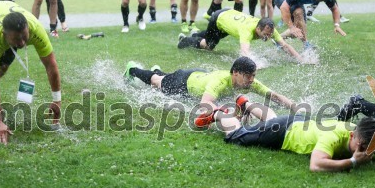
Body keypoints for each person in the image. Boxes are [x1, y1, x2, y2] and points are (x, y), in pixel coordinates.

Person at [196, 97, 375, 175]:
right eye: (362, 147)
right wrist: (352, 161)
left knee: (270, 120)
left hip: (297, 122)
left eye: (370, 149)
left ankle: (246, 104)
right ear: (352, 135)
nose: (366, 152)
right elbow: (315, 165)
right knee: (237, 135)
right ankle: (222, 113)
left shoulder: (371, 138)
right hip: (284, 133)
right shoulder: (334, 137)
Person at [0, 1, 62, 145]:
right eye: (16, 39)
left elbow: (51, 65)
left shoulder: (35, 28)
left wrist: (57, 100)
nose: (22, 43)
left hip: (6, 18)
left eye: (25, 37)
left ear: (27, 28)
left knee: (2, 69)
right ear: (4, 35)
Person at [124, 56, 297, 112]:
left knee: (160, 79)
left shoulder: (249, 82)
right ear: (235, 73)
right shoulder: (220, 82)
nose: (251, 80)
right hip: (183, 82)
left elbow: (273, 96)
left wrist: (294, 106)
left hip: (198, 76)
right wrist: (226, 112)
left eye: (253, 76)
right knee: (156, 82)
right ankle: (132, 70)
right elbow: (204, 103)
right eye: (248, 76)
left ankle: (158, 71)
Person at [177, 8, 302, 62]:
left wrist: (300, 59)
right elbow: (244, 51)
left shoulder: (269, 28)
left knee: (214, 36)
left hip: (229, 16)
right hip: (218, 19)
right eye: (265, 34)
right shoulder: (247, 30)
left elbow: (284, 45)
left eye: (269, 35)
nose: (267, 37)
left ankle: (195, 34)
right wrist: (255, 64)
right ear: (258, 28)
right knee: (208, 45)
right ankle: (184, 41)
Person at [275, 0, 346, 49]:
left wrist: (337, 25)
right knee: (298, 14)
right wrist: (291, 27)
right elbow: (284, 7)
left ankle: (278, 39)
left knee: (299, 30)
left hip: (296, 0)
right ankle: (306, 45)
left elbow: (334, 9)